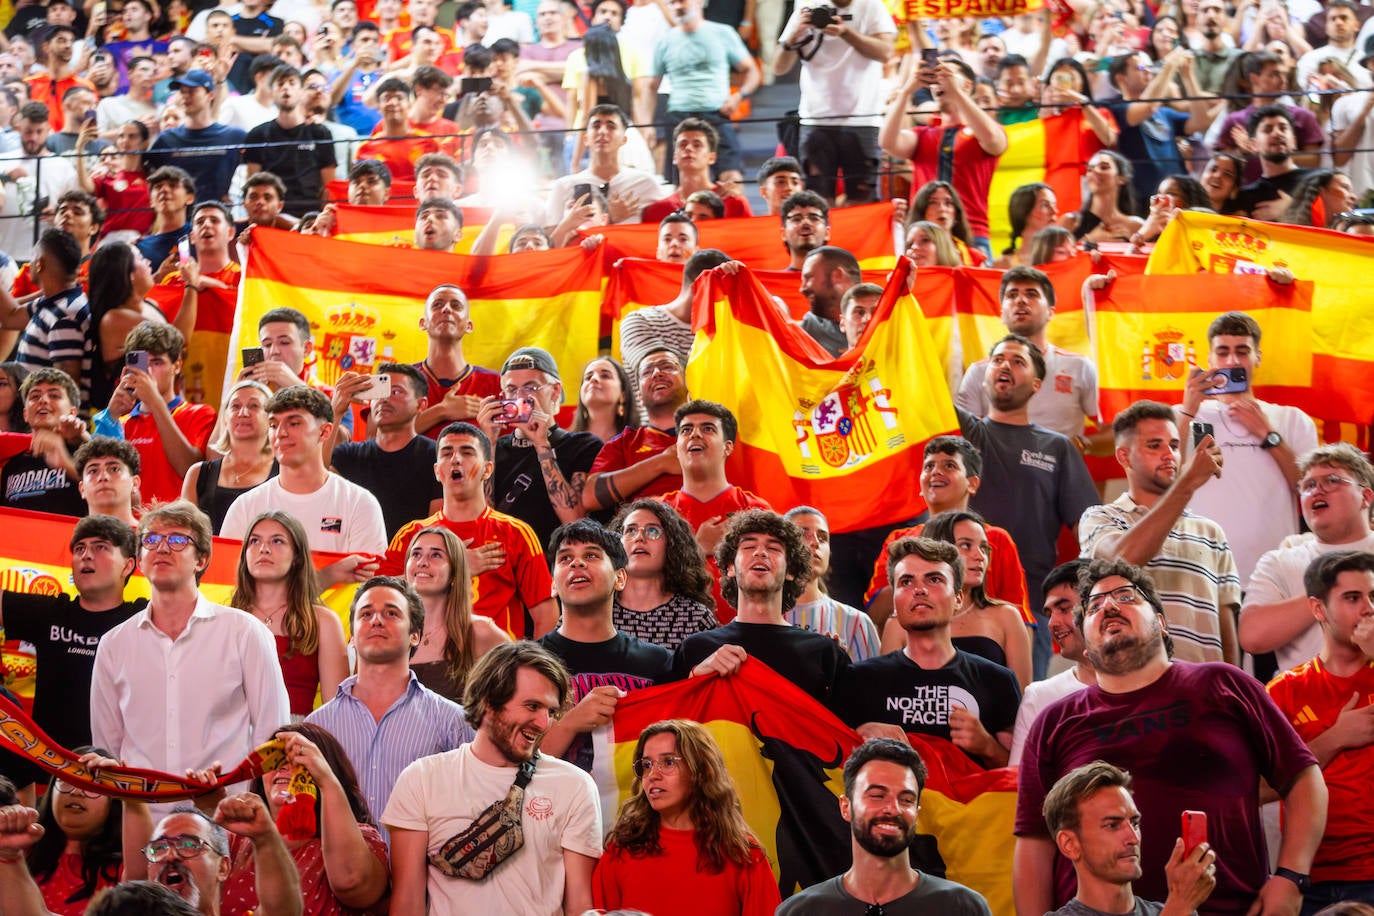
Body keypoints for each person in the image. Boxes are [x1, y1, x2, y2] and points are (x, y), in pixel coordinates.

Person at [1013, 557, 1327, 916]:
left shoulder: (1224, 684)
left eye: (1127, 596)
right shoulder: (1054, 722)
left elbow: (1305, 781)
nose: (1110, 606)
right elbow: (1035, 843)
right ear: (1085, 644)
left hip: (1233, 909)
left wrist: (1290, 878)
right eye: (1095, 606)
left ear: (1161, 624)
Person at [89, 501, 292, 816]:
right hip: (142, 824)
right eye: (151, 540)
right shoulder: (114, 644)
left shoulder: (245, 633)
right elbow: (108, 749)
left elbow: (272, 736)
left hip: (227, 822)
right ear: (140, 560)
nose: (163, 548)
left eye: (178, 540)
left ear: (202, 559)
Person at [384, 641, 602, 915]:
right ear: (489, 702)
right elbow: (407, 902)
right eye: (532, 706)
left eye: (550, 711)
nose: (543, 723)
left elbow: (580, 905)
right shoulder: (422, 779)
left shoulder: (575, 786)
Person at [958, 335, 1099, 679]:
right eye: (997, 360)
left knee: (1021, 714)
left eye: (1018, 361)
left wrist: (1084, 595)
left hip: (1029, 606)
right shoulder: (962, 434)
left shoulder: (1057, 447)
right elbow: (916, 382)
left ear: (1037, 384)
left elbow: (1091, 527)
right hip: (956, 601)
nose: (1005, 365)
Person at [1079, 399, 1242, 666]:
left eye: (1175, 446)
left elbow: (1225, 629)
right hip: (1134, 688)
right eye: (1155, 446)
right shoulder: (1100, 517)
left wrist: (1234, 689)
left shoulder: (1211, 532)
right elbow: (1119, 560)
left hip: (1204, 693)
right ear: (1123, 456)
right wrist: (1187, 484)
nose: (1170, 455)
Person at [306, 576, 474, 829]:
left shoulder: (453, 721)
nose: (376, 620)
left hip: (424, 867)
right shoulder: (317, 727)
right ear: (351, 636)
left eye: (391, 613)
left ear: (415, 636)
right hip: (341, 869)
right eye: (366, 614)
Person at [836, 537, 1020, 767]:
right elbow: (830, 766)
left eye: (934, 579)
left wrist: (987, 747)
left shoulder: (997, 681)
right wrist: (859, 734)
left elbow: (1019, 781)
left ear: (958, 598)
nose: (919, 590)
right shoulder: (858, 680)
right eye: (906, 582)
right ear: (894, 602)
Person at [1266, 550, 1374, 914]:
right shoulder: (1284, 691)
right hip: (1309, 878)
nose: (1368, 608)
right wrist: (1335, 738)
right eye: (1353, 598)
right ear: (1318, 609)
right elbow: (1255, 789)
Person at [1178, 311, 1320, 586]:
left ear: (1258, 357)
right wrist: (1187, 411)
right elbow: (1162, 480)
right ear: (1210, 360)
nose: (1232, 361)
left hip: (1275, 575)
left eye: (1242, 351)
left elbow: (1309, 490)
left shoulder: (1293, 419)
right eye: (1223, 352)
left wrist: (1268, 434)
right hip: (1201, 575)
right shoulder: (1183, 416)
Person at [777, 738, 993, 914]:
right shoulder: (800, 912)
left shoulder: (963, 908)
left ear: (916, 814)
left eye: (906, 799)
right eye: (877, 795)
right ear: (846, 807)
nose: (893, 808)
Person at [384, 421, 558, 639]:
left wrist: (530, 671)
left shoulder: (516, 533)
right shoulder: (411, 534)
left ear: (487, 469)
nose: (455, 459)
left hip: (495, 666)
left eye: (467, 452)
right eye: (447, 453)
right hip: (426, 663)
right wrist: (457, 568)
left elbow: (546, 616)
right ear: (437, 471)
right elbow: (380, 599)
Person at [594, 719, 780, 915]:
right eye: (647, 764)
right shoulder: (620, 851)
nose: (653, 775)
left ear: (700, 771)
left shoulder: (743, 855)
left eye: (668, 762)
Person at [674, 509, 850, 705]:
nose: (760, 552)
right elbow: (666, 724)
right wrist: (695, 678)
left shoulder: (825, 654)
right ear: (730, 567)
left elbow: (850, 731)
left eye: (774, 548)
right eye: (749, 546)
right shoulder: (694, 650)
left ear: (790, 571)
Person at [0, 516, 144, 755]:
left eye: (100, 547)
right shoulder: (51, 613)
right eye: (79, 549)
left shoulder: (143, 618)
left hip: (118, 773)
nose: (86, 555)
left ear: (128, 565)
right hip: (51, 773)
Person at [537, 519, 673, 768]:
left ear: (620, 578)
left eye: (591, 555)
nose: (577, 563)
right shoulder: (526, 662)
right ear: (553, 584)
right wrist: (570, 723)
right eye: (565, 558)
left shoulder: (659, 663)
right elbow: (508, 761)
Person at [220, 386, 387, 588]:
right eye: (273, 425)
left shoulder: (360, 503)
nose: (281, 433)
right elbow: (230, 588)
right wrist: (329, 575)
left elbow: (366, 593)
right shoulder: (245, 506)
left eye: (294, 423)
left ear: (325, 431)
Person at [219, 725, 389, 916]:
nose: (282, 766)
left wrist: (326, 781)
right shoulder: (236, 840)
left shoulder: (362, 838)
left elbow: (352, 881)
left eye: (295, 759)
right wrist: (209, 806)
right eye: (273, 759)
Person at [1242, 444, 1374, 674]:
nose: (1317, 490)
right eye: (1309, 485)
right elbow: (1253, 637)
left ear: (1365, 496)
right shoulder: (1279, 561)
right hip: (1304, 707)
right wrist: (1329, 591)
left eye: (1332, 480)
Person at [1041, 760, 1219, 916]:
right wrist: (1179, 906)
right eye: (1112, 825)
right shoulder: (1178, 909)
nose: (1133, 838)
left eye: (1134, 823)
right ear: (1069, 844)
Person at [476, 346, 603, 548]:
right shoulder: (491, 448)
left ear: (555, 391)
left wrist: (541, 444)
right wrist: (488, 443)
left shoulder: (583, 445)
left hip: (556, 566)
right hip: (502, 563)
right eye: (511, 389)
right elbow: (482, 522)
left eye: (530, 388)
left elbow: (574, 521)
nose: (520, 397)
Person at [880, 55, 1007, 255]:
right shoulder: (922, 135)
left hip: (971, 234)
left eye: (947, 74)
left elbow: (993, 140)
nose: (939, 80)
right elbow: (887, 143)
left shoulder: (986, 130)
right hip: (923, 235)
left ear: (967, 85)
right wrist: (906, 92)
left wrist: (957, 92)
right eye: (935, 77)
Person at [957, 266, 1100, 441]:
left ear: (1050, 312)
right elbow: (961, 441)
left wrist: (1077, 447)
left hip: (1060, 468)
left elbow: (1114, 432)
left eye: (1032, 294)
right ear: (1002, 314)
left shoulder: (1079, 367)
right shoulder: (978, 372)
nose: (1020, 300)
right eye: (1012, 295)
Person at [230, 511, 349, 721]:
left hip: (295, 740)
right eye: (254, 541)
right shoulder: (227, 619)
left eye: (277, 541)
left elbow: (337, 715)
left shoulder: (323, 621)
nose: (264, 549)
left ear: (296, 556)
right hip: (232, 740)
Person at [772, 0, 894, 204]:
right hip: (816, 118)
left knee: (862, 198)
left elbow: (886, 52)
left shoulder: (871, 5)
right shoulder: (806, 6)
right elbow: (778, 68)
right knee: (816, 200)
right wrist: (794, 34)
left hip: (863, 119)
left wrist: (845, 33)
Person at [659, 400, 772, 617]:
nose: (695, 435)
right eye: (686, 430)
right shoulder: (655, 513)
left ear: (727, 447)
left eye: (707, 428)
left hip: (745, 640)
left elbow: (775, 581)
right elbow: (639, 583)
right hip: (672, 638)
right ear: (677, 448)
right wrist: (699, 548)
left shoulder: (756, 510)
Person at [95, 322, 216, 505]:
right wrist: (111, 415)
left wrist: (155, 402)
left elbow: (189, 470)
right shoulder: (121, 423)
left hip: (175, 529)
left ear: (177, 365)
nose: (148, 372)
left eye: (157, 362)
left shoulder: (200, 413)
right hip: (128, 528)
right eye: (143, 364)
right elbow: (95, 478)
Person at [649, 0, 760, 189]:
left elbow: (753, 71)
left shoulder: (722, 33)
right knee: (681, 183)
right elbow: (651, 86)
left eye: (681, 1)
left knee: (731, 179)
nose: (677, 6)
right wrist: (648, 124)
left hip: (716, 112)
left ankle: (737, 218)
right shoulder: (665, 41)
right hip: (679, 115)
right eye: (672, 2)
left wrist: (738, 96)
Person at [330, 363, 442, 540]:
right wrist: (336, 412)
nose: (384, 399)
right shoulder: (348, 456)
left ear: (421, 404)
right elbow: (315, 483)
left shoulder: (437, 456)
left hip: (411, 561)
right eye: (379, 392)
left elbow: (438, 528)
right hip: (356, 558)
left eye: (396, 392)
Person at [403, 525, 511, 700]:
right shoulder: (390, 633)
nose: (422, 562)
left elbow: (524, 688)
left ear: (455, 572)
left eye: (436, 555)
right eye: (416, 554)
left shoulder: (479, 631)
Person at [1008, 561, 1096, 766]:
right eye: (1049, 614)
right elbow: (1018, 782)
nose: (1052, 624)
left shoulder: (1150, 685)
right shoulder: (1039, 696)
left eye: (1064, 609)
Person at [582, 347, 686, 513]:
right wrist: (661, 462)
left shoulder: (712, 434)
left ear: (689, 383)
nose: (657, 373)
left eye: (667, 366)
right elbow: (589, 497)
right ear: (639, 397)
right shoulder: (623, 443)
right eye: (647, 372)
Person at [1104, 50, 1209, 214]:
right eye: (1139, 67)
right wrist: (1169, 67)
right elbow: (1147, 107)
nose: (1147, 71)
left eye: (1148, 67)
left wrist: (1188, 77)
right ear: (1121, 78)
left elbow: (1201, 121)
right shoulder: (1115, 109)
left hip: (1180, 196)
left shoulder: (1164, 112)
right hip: (1143, 199)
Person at [608, 498, 716, 650]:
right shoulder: (593, 611)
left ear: (672, 545)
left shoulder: (696, 618)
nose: (639, 538)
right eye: (630, 530)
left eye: (652, 531)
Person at [784, 506, 880, 662]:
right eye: (802, 534)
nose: (815, 542)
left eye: (823, 538)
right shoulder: (757, 621)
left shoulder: (856, 623)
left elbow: (874, 684)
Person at [181, 380, 277, 535]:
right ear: (225, 418)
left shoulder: (286, 471)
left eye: (254, 406)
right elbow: (185, 534)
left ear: (270, 418)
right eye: (235, 406)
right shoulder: (198, 473)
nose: (243, 413)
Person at [543, 104, 665, 226]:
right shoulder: (564, 186)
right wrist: (609, 217)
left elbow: (666, 229)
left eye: (611, 126)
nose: (602, 131)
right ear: (586, 139)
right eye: (596, 126)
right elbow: (550, 239)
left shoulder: (644, 183)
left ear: (624, 139)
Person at [83, 242, 168, 414]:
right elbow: (177, 343)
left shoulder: (150, 304)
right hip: (121, 418)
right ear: (129, 275)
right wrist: (192, 286)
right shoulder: (114, 319)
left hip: (150, 409)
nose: (149, 262)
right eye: (141, 258)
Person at [409, 284, 502, 441]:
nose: (447, 309)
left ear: (469, 325)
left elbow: (512, 450)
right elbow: (375, 441)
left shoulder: (497, 383)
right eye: (437, 305)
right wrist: (442, 411)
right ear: (423, 323)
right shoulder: (398, 380)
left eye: (456, 305)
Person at [618, 248, 731, 374]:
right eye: (723, 296)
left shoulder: (724, 330)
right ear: (700, 287)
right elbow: (661, 372)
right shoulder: (639, 321)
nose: (727, 304)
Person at [144, 70, 247, 203]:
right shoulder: (166, 140)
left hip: (220, 216)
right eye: (182, 91)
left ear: (210, 95)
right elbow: (150, 177)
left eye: (192, 91)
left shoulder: (234, 136)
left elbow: (253, 172)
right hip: (177, 218)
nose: (185, 96)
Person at [1, 230, 87, 390]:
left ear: (39, 264)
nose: (29, 263)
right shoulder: (53, 301)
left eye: (32, 258)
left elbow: (66, 388)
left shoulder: (65, 316)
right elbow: (10, 317)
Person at [244, 66, 336, 213]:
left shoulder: (320, 133)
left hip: (309, 214)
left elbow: (329, 185)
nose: (286, 88)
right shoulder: (257, 135)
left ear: (301, 92)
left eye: (292, 83)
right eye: (280, 84)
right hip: (271, 214)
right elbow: (253, 184)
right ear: (272, 93)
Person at [2, 368, 88, 516]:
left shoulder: (86, 451)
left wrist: (65, 463)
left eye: (54, 395)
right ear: (25, 415)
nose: (43, 400)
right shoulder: (11, 462)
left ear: (72, 412)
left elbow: (122, 497)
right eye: (35, 396)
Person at [642, 118, 753, 223]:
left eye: (697, 145)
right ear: (675, 157)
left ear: (712, 157)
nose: (689, 149)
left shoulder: (734, 203)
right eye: (683, 145)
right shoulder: (656, 211)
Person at [1233, 106, 1312, 220]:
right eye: (1268, 129)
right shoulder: (1245, 196)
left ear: (1294, 141)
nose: (1277, 133)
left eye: (1283, 128)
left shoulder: (1317, 182)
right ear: (1254, 144)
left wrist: (1292, 210)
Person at [1061, 151, 1144, 244]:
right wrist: (1090, 239)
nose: (1095, 171)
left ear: (1122, 178)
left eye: (1104, 167)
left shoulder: (1136, 226)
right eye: (1090, 169)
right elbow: (1052, 256)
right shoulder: (1070, 221)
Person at [799, 245, 860, 358]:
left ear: (837, 275)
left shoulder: (885, 323)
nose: (802, 289)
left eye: (808, 278)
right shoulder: (807, 330)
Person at [72, 437, 140, 525]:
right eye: (93, 471)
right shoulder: (61, 535)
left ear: (135, 483)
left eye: (114, 469)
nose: (103, 477)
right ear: (82, 489)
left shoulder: (154, 537)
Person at [570, 356, 638, 444]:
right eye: (588, 377)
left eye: (605, 376)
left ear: (623, 395)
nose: (593, 379)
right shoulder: (564, 444)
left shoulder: (639, 443)